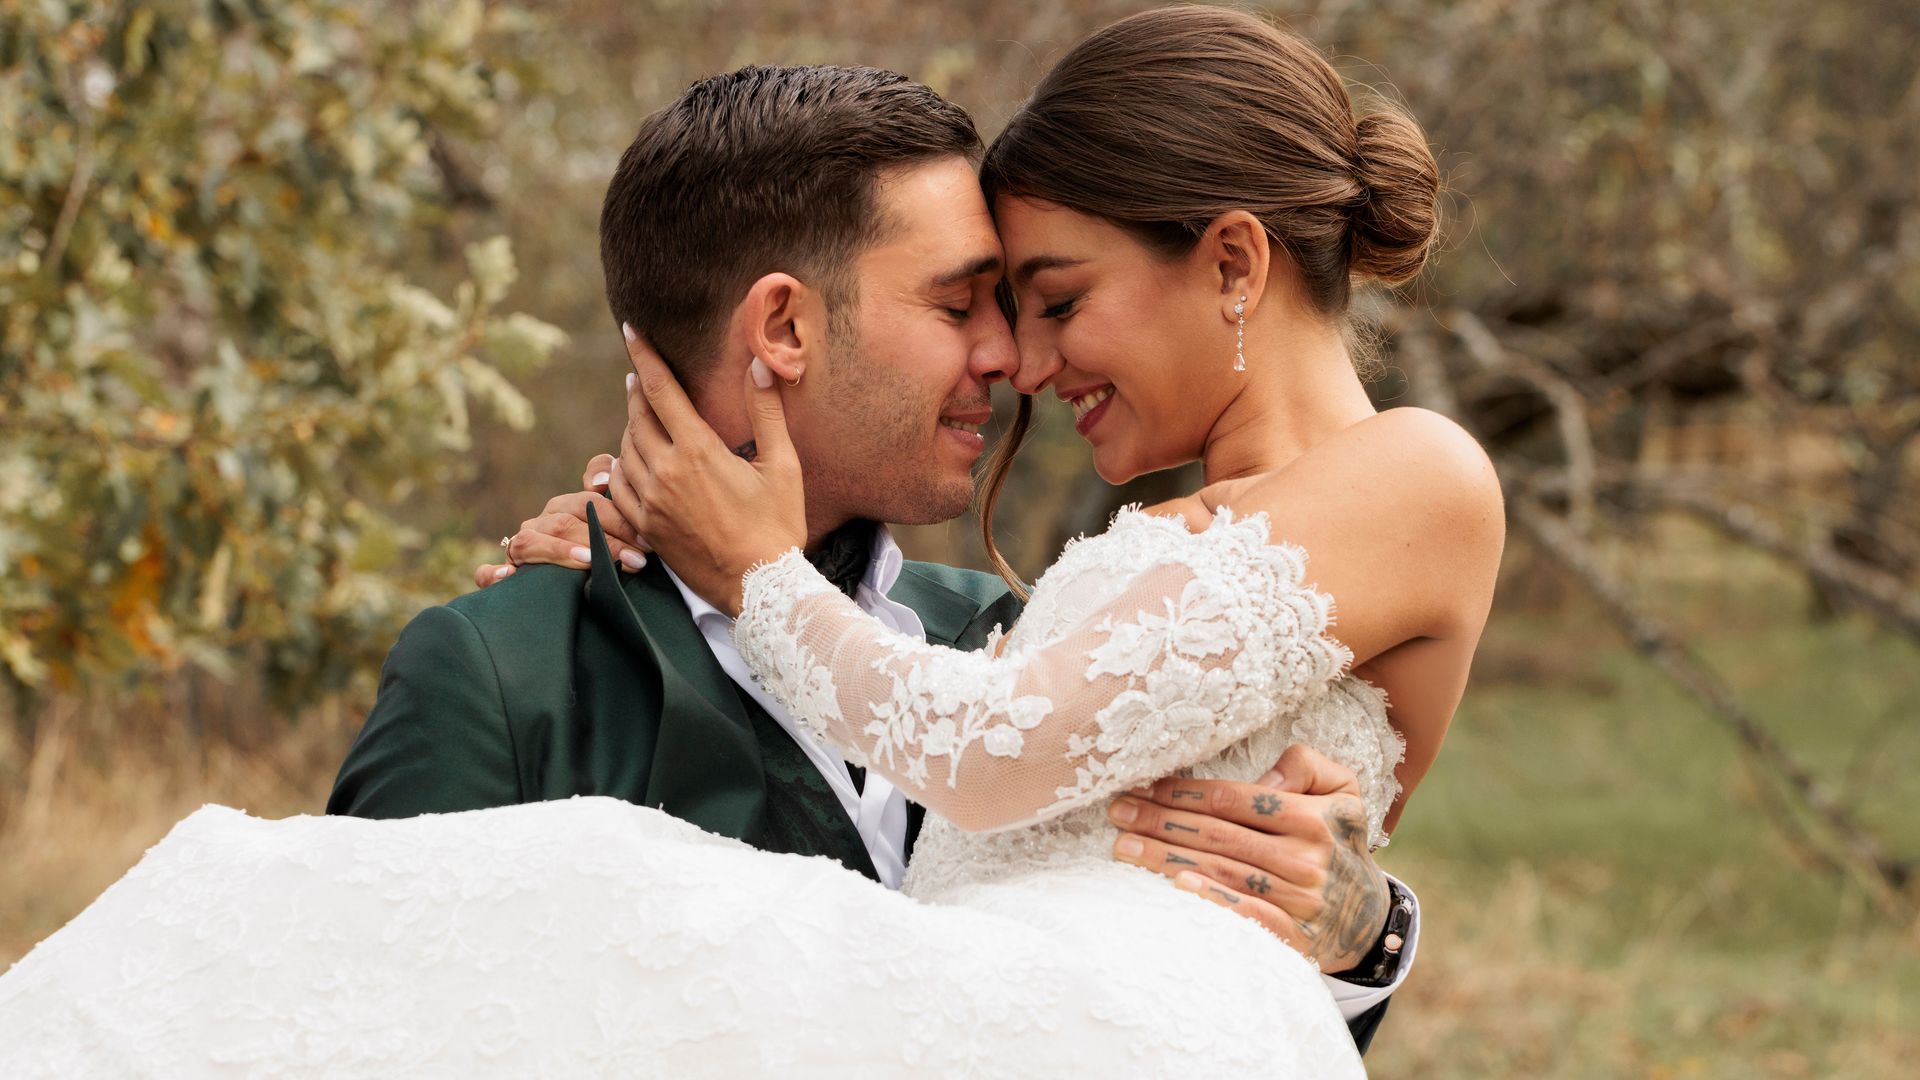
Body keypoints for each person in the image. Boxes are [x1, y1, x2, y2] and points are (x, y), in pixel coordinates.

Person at [0, 9, 1498, 1076]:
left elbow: (1147, 957)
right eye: (967, 304)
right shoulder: (511, 667)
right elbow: (354, 1025)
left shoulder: (1001, 631)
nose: (1014, 363)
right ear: (782, 327)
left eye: (1038, 302)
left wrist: (1366, 933)